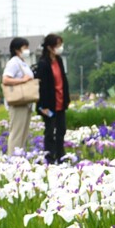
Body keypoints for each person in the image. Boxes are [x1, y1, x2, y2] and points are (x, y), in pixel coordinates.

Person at [35, 33, 70, 164]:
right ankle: (50, 157)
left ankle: (61, 155)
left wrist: (66, 98)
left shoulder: (59, 61)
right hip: (48, 104)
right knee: (50, 131)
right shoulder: (43, 63)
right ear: (49, 47)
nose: (60, 48)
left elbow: (63, 80)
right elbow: (42, 86)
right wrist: (42, 106)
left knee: (61, 130)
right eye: (57, 45)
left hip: (60, 101)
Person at [1, 37, 34, 155]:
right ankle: (13, 157)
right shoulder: (14, 62)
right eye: (24, 47)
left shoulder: (23, 63)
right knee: (17, 133)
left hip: (26, 103)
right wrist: (22, 80)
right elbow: (5, 79)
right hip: (18, 102)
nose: (27, 50)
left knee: (23, 133)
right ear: (16, 49)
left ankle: (20, 156)